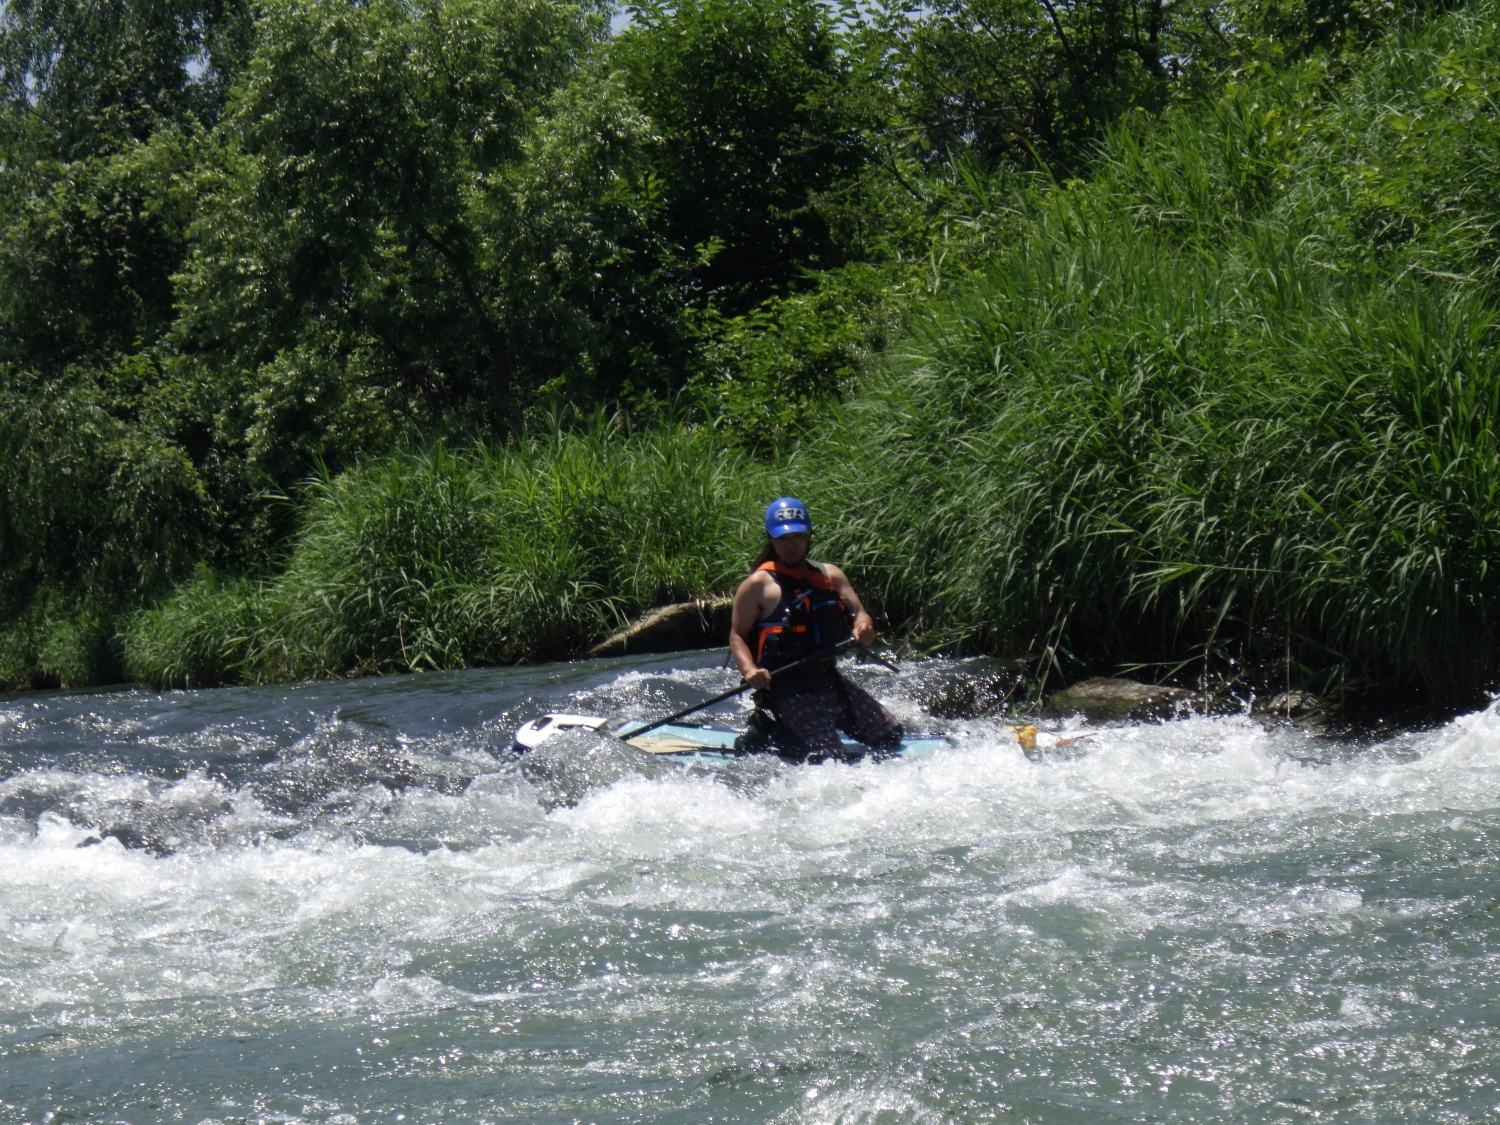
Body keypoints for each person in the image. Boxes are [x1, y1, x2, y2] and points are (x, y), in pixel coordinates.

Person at [729, 497, 903, 759]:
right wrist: (750, 670)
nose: (791, 545)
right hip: (787, 687)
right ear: (771, 539)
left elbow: (859, 613)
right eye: (783, 538)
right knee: (830, 757)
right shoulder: (757, 585)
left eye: (798, 537)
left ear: (809, 535)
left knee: (890, 736)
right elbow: (737, 636)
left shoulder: (830, 575)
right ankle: (772, 728)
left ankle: (796, 732)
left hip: (828, 678)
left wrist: (863, 627)